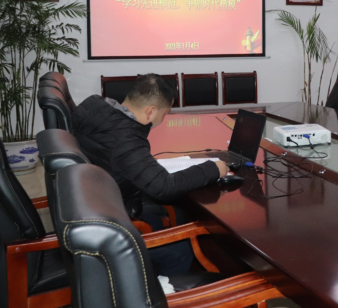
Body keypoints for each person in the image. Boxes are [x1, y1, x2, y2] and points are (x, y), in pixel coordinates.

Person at [72, 74, 228, 275]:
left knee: (160, 219)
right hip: (110, 225)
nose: (163, 119)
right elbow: (164, 187)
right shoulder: (126, 140)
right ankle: (160, 291)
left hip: (93, 203)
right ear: (151, 111)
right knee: (182, 252)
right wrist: (213, 169)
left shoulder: (94, 105)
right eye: (165, 114)